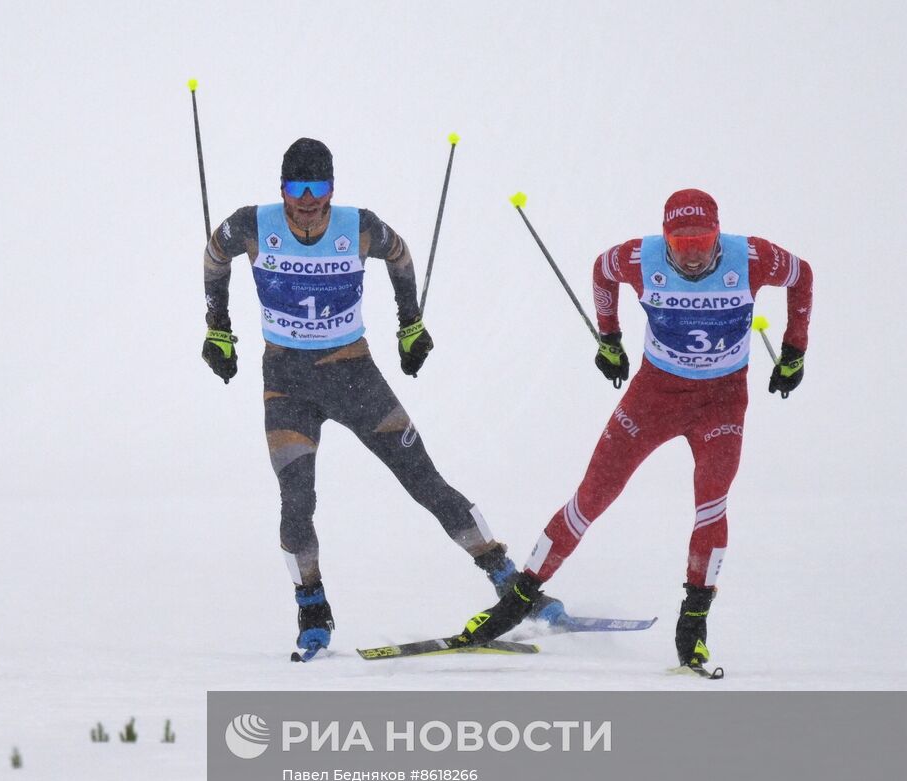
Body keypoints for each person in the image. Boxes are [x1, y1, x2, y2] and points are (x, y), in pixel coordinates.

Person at [200, 137, 553, 654]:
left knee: (425, 481)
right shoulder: (254, 224)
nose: (306, 198)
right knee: (297, 502)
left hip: (355, 378)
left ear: (332, 188)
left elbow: (401, 255)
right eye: (295, 187)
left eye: (317, 186)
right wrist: (218, 328)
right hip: (286, 385)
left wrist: (410, 325)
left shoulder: (357, 225)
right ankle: (312, 606)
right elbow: (214, 255)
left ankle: (506, 577)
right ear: (281, 188)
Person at [448, 188, 813, 673]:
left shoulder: (753, 257)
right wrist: (610, 339)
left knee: (711, 502)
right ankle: (517, 600)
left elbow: (801, 275)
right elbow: (602, 270)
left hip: (721, 403)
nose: (693, 254)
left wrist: (795, 351)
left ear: (717, 233)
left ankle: (694, 623)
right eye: (680, 244)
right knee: (593, 495)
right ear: (666, 238)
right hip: (654, 397)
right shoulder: (641, 258)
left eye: (702, 241)